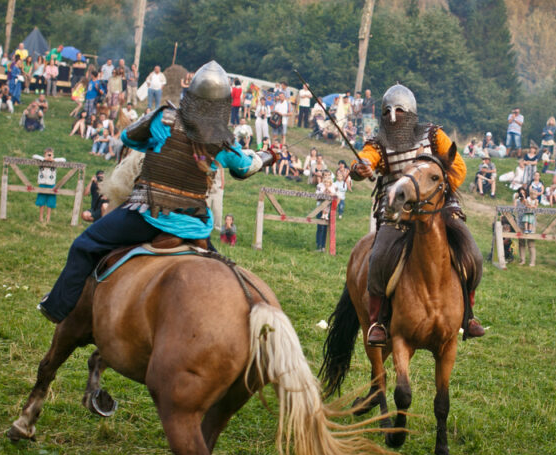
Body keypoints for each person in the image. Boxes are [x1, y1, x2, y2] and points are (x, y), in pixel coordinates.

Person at [37, 60, 275, 323]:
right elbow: (244, 168)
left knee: (84, 245)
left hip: (146, 215)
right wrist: (267, 156)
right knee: (224, 270)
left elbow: (128, 138)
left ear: (191, 95)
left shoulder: (164, 118)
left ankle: (57, 307)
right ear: (222, 104)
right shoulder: (222, 140)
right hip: (193, 227)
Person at [350, 83, 484, 342]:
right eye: (388, 111)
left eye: (399, 110)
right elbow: (365, 160)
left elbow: (457, 166)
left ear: (410, 112)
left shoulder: (432, 135)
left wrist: (438, 193)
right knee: (377, 259)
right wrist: (361, 168)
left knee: (473, 256)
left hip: (438, 209)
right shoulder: (378, 144)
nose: (393, 116)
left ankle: (468, 314)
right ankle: (377, 322)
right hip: (397, 212)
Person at [34, 148, 66, 224]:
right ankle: (41, 217)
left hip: (51, 184)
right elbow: (34, 156)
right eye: (47, 154)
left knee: (50, 201)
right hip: (42, 183)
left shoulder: (54, 161)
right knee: (41, 200)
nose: (49, 156)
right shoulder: (41, 160)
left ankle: (48, 217)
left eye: (50, 154)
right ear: (44, 154)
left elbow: (63, 159)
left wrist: (53, 159)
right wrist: (44, 159)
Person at [315, 171, 336, 252]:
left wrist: (331, 195)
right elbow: (317, 196)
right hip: (320, 207)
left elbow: (336, 195)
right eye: (325, 175)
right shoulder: (319, 185)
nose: (327, 177)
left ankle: (324, 246)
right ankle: (318, 244)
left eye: (329, 175)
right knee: (320, 226)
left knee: (325, 227)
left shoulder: (334, 185)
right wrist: (324, 195)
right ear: (323, 176)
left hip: (330, 208)